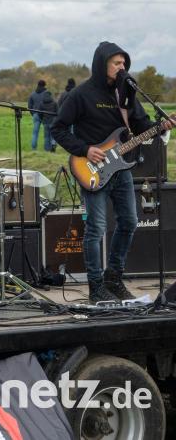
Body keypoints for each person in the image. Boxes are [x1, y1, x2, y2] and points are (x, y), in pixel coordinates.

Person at [52, 41, 175, 303]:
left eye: (124, 64)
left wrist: (162, 126)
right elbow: (58, 128)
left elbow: (143, 126)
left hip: (121, 169)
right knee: (96, 228)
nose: (122, 68)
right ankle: (96, 287)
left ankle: (114, 278)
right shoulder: (81, 94)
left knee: (129, 222)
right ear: (102, 64)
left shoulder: (127, 95)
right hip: (91, 168)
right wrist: (85, 149)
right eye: (117, 63)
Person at [28, 80, 53, 150]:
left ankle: (33, 148)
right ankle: (48, 148)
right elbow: (51, 103)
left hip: (35, 114)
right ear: (44, 85)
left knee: (35, 133)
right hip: (46, 114)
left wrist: (33, 114)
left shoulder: (32, 94)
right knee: (47, 133)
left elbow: (29, 106)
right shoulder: (46, 93)